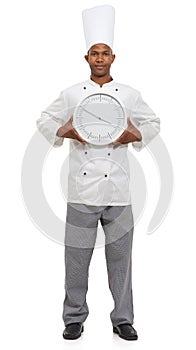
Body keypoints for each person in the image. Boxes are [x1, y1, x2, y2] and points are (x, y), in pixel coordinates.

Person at [36, 5, 160, 341]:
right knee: (75, 261)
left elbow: (153, 124)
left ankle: (122, 319)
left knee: (121, 263)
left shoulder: (130, 95)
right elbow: (44, 121)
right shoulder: (72, 93)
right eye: (95, 53)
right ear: (86, 57)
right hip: (81, 192)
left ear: (113, 58)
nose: (100, 58)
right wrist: (67, 131)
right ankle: (73, 317)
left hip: (119, 192)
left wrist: (134, 135)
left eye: (105, 53)